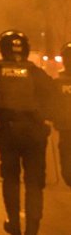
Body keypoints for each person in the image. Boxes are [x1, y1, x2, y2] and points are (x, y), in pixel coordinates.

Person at [0, 31, 55, 235]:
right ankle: (32, 228)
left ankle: (13, 224)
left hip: (9, 132)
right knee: (34, 183)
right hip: (34, 134)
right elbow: (51, 99)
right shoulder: (36, 72)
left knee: (11, 179)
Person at [55, 41, 71, 188]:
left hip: (66, 130)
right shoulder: (57, 82)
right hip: (65, 129)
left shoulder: (58, 82)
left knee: (67, 169)